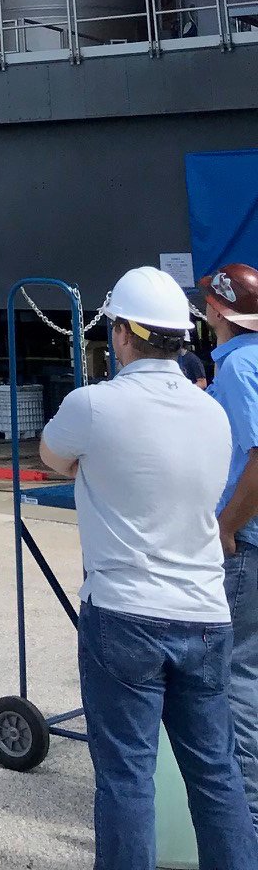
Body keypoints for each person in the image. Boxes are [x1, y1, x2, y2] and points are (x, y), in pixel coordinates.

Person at [39, 266, 257, 870]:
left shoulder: (93, 405)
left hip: (125, 615)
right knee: (215, 772)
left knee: (127, 778)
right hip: (205, 614)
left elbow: (53, 458)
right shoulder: (212, 412)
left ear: (124, 336)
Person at [201, 261, 258, 826]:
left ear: (218, 311)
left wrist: (226, 526)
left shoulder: (240, 368)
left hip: (249, 543)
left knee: (237, 678)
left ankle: (248, 826)